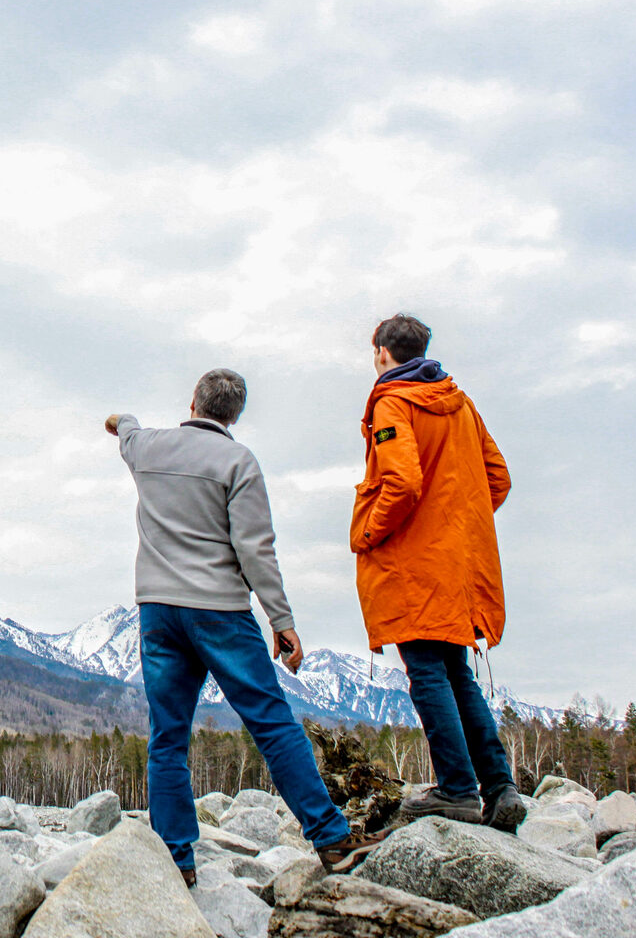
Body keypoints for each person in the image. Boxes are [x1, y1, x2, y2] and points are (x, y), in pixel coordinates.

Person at [106, 369, 381, 887]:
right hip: (220, 612)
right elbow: (256, 549)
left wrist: (123, 421)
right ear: (234, 416)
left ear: (192, 402)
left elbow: (127, 430)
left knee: (168, 737)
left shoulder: (148, 448)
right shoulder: (239, 461)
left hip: (159, 611)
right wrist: (282, 620)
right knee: (272, 724)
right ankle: (331, 839)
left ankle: (178, 860)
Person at [352, 314, 525, 832]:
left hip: (415, 565)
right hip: (458, 564)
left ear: (382, 352)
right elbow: (498, 478)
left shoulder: (392, 402)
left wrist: (370, 533)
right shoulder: (460, 402)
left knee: (426, 671)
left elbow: (402, 482)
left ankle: (455, 789)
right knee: (456, 672)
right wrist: (456, 524)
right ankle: (499, 788)